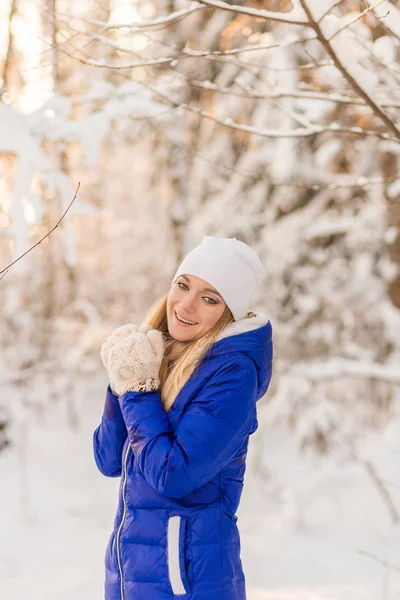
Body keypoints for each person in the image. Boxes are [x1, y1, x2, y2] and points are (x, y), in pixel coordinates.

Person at [94, 236, 273, 600]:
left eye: (209, 298)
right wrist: (121, 384)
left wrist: (137, 390)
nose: (186, 305)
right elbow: (108, 460)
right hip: (133, 577)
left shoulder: (232, 374)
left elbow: (173, 474)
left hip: (188, 583)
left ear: (229, 312)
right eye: (183, 285)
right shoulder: (158, 354)